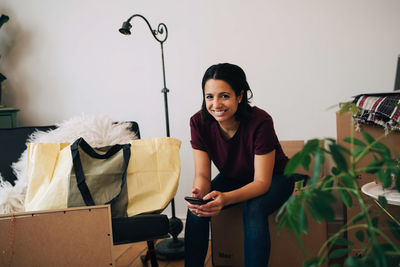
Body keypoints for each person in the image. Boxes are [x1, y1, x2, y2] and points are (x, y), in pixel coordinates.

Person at [184, 63, 295, 267]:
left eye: (224, 96)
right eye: (209, 96)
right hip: (234, 177)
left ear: (240, 95)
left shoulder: (260, 121)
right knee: (197, 210)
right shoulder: (198, 122)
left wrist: (225, 199)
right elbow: (202, 174)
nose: (216, 104)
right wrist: (199, 192)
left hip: (276, 178)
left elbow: (261, 182)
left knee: (253, 210)